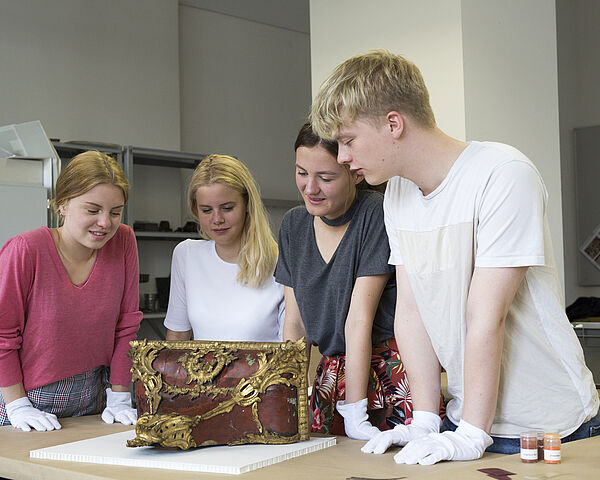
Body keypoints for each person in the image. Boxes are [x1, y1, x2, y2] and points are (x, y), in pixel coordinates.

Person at [309, 49, 600, 464]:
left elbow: (485, 315)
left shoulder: (502, 174)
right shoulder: (397, 194)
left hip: (550, 425)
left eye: (348, 140)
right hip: (464, 422)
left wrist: (473, 433)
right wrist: (427, 417)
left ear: (394, 123)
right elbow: (411, 312)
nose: (342, 157)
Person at [275, 123, 443, 440]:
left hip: (384, 374)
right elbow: (294, 325)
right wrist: (288, 397)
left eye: (325, 178)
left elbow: (359, 319)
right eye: (301, 173)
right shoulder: (293, 226)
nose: (310, 188)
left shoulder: (374, 214)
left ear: (355, 172)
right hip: (331, 375)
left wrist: (355, 410)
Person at [0, 150, 142, 432]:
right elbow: (2, 335)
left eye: (115, 212)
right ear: (62, 204)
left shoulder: (123, 240)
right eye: (92, 210)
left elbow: (126, 326)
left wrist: (120, 395)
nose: (105, 223)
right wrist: (17, 405)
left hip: (96, 398)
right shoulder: (26, 250)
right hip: (27, 400)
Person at [164, 154, 284, 342]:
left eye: (227, 208)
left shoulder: (281, 263)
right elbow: (177, 337)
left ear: (247, 205)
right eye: (206, 210)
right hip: (199, 372)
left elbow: (289, 354)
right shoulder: (186, 255)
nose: (217, 219)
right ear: (195, 210)